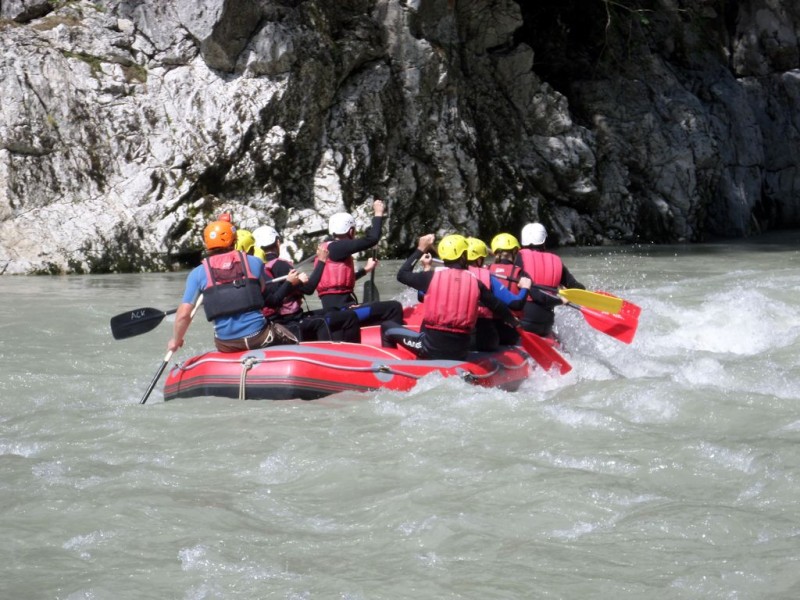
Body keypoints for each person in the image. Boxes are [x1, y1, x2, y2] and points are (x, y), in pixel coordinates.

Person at [380, 234, 523, 360]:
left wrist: (421, 248)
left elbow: (402, 274)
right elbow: (498, 307)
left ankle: (392, 365)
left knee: (387, 327)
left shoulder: (430, 278)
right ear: (462, 256)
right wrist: (514, 322)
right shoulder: (476, 283)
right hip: (461, 350)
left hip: (431, 347)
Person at [168, 220, 297, 354]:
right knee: (293, 340)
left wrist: (176, 340)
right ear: (234, 240)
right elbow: (263, 292)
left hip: (225, 344)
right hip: (258, 337)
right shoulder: (255, 262)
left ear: (207, 244)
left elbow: (183, 315)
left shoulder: (197, 273)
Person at [253, 225, 361, 343]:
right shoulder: (280, 265)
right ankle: (348, 351)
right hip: (292, 319)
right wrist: (321, 261)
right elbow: (309, 289)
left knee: (334, 310)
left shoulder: (257, 268)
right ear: (278, 243)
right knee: (350, 316)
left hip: (279, 319)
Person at [316, 198, 403, 327]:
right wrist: (378, 214)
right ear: (351, 231)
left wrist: (365, 270)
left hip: (340, 309)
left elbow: (339, 282)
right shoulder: (339, 247)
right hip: (344, 311)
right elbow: (372, 239)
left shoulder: (329, 248)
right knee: (394, 307)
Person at [514, 222, 585, 338]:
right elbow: (577, 288)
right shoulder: (556, 260)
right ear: (544, 241)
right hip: (546, 324)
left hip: (523, 321)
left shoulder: (518, 257)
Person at [465, 237, 530, 350]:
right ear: (479, 259)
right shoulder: (486, 276)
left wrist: (426, 268)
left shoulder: (441, 275)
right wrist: (525, 288)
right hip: (484, 340)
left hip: (457, 339)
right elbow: (516, 304)